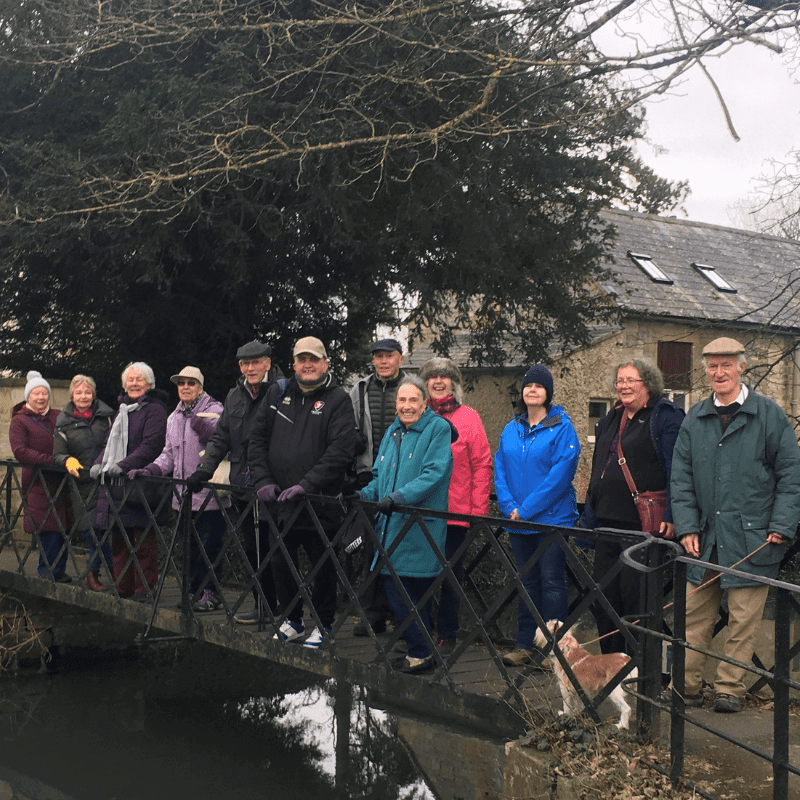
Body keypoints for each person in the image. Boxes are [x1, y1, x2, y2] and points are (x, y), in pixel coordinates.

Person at [670, 337, 800, 713]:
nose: (719, 372)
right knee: (694, 617)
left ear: (743, 367)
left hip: (754, 537)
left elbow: (790, 474)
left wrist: (782, 524)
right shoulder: (695, 417)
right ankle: (686, 687)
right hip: (706, 539)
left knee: (743, 620)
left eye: (727, 365)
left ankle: (729, 689)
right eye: (712, 366)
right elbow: (680, 477)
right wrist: (687, 527)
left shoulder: (768, 414)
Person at [248, 336, 356, 648]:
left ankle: (324, 624)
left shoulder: (338, 399)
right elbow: (256, 441)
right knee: (280, 562)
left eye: (314, 359)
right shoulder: (277, 393)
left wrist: (306, 485)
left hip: (318, 502)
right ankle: (293, 620)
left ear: (326, 363)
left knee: (322, 565)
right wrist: (262, 480)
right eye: (301, 359)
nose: (307, 365)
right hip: (279, 501)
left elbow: (341, 451)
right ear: (293, 364)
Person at [582, 359, 684, 655]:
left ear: (648, 384)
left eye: (631, 380)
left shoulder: (665, 416)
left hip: (641, 527)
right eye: (620, 380)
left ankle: (639, 672)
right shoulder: (612, 417)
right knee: (604, 600)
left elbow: (677, 470)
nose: (623, 386)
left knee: (636, 603)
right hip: (605, 523)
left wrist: (673, 514)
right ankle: (610, 670)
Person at [359, 376, 453, 674]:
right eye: (402, 400)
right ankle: (420, 650)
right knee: (405, 592)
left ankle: (421, 651)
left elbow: (434, 474)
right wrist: (361, 494)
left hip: (419, 526)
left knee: (406, 592)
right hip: (392, 528)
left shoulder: (437, 429)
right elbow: (379, 476)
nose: (407, 406)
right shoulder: (393, 431)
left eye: (414, 400)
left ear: (425, 403)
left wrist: (399, 497)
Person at [186, 341, 284, 624]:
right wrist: (205, 470)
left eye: (256, 362)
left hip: (273, 482)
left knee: (277, 549)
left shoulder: (282, 390)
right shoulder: (234, 396)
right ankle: (262, 605)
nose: (251, 368)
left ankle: (286, 608)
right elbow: (221, 437)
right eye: (245, 364)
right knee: (253, 549)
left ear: (267, 362)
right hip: (242, 482)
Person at [494, 365, 580, 667]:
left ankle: (555, 653)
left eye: (538, 386)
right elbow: (500, 467)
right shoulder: (511, 429)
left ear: (548, 393)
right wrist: (508, 506)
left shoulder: (562, 428)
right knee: (526, 583)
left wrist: (526, 509)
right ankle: (525, 645)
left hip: (551, 520)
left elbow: (560, 475)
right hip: (518, 521)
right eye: (527, 386)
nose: (532, 390)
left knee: (552, 583)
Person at [128, 367, 230, 612]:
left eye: (191, 383)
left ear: (200, 386)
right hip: (182, 496)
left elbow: (225, 442)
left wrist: (199, 422)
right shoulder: (173, 417)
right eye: (181, 383)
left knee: (209, 548)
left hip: (210, 496)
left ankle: (211, 594)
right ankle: (193, 591)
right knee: (191, 548)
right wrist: (150, 470)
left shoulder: (215, 410)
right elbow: (168, 455)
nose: (185, 387)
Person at [419, 357, 492, 655]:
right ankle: (419, 628)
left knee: (450, 575)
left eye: (444, 377)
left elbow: (482, 465)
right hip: (421, 510)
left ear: (454, 383)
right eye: (432, 376)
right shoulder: (419, 414)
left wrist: (477, 512)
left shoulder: (469, 417)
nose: (438, 381)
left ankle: (447, 633)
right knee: (419, 573)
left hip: (455, 513)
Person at [91, 362, 169, 601]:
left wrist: (123, 465)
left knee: (143, 539)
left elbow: (152, 445)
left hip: (139, 483)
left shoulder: (155, 410)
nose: (134, 383)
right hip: (116, 484)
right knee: (119, 539)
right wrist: (99, 463)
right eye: (130, 380)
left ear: (150, 384)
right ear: (124, 384)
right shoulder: (121, 411)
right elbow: (108, 443)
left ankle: (144, 590)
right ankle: (123, 588)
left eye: (140, 379)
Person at [349, 338, 407, 635]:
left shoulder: (411, 389)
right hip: (369, 474)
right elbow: (347, 425)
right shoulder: (360, 389)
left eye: (389, 356)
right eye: (378, 357)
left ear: (400, 358)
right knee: (370, 547)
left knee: (400, 546)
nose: (383, 361)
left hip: (404, 476)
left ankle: (402, 616)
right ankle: (373, 614)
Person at [53, 375, 115, 591]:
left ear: (93, 394)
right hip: (81, 484)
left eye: (87, 392)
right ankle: (99, 573)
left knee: (108, 530)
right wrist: (67, 460)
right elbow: (57, 454)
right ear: (72, 395)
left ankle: (108, 572)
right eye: (79, 392)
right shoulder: (63, 422)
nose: (83, 396)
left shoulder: (107, 417)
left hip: (107, 481)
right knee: (92, 532)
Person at [9, 371, 72, 582]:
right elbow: (20, 451)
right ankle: (46, 572)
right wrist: (51, 460)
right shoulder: (20, 421)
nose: (41, 397)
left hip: (62, 479)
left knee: (64, 525)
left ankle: (59, 570)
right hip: (38, 479)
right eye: (36, 393)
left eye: (44, 392)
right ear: (28, 396)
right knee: (48, 525)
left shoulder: (58, 415)